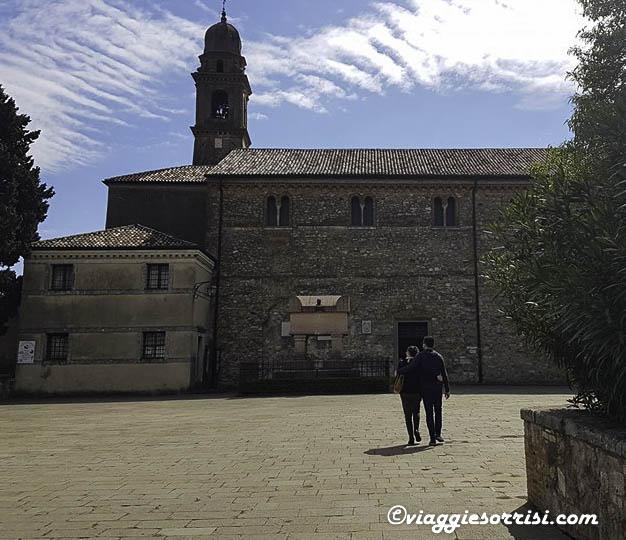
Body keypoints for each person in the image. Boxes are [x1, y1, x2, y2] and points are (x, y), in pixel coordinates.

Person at [396, 345, 422, 446]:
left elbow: (398, 373)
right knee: (416, 411)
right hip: (417, 391)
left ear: (408, 353)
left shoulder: (402, 363)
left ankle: (411, 437)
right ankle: (416, 429)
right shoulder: (419, 364)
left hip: (405, 392)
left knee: (407, 415)